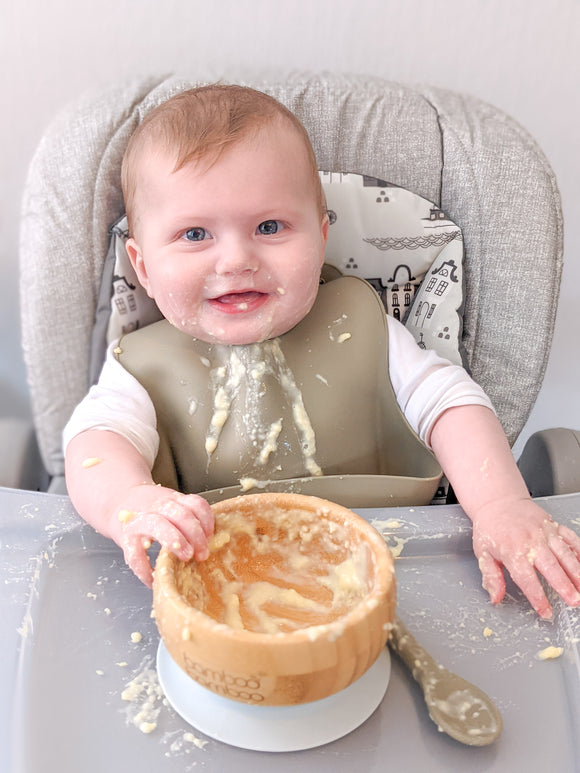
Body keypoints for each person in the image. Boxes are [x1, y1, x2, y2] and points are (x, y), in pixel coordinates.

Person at [64, 84, 580, 621]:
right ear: (142, 266)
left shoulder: (361, 325)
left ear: (321, 234)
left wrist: (500, 505)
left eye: (270, 227)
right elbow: (95, 445)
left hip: (401, 566)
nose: (236, 258)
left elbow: (451, 406)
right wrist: (131, 504)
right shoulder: (142, 367)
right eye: (195, 234)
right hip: (218, 581)